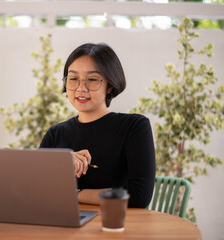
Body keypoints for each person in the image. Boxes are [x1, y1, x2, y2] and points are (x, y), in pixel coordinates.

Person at [39, 43, 156, 208]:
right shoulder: (55, 134)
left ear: (110, 85)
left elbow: (138, 196)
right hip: (63, 226)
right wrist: (60, 163)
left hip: (114, 227)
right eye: (73, 79)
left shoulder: (134, 127)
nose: (81, 88)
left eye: (92, 79)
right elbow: (35, 190)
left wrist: (76, 194)